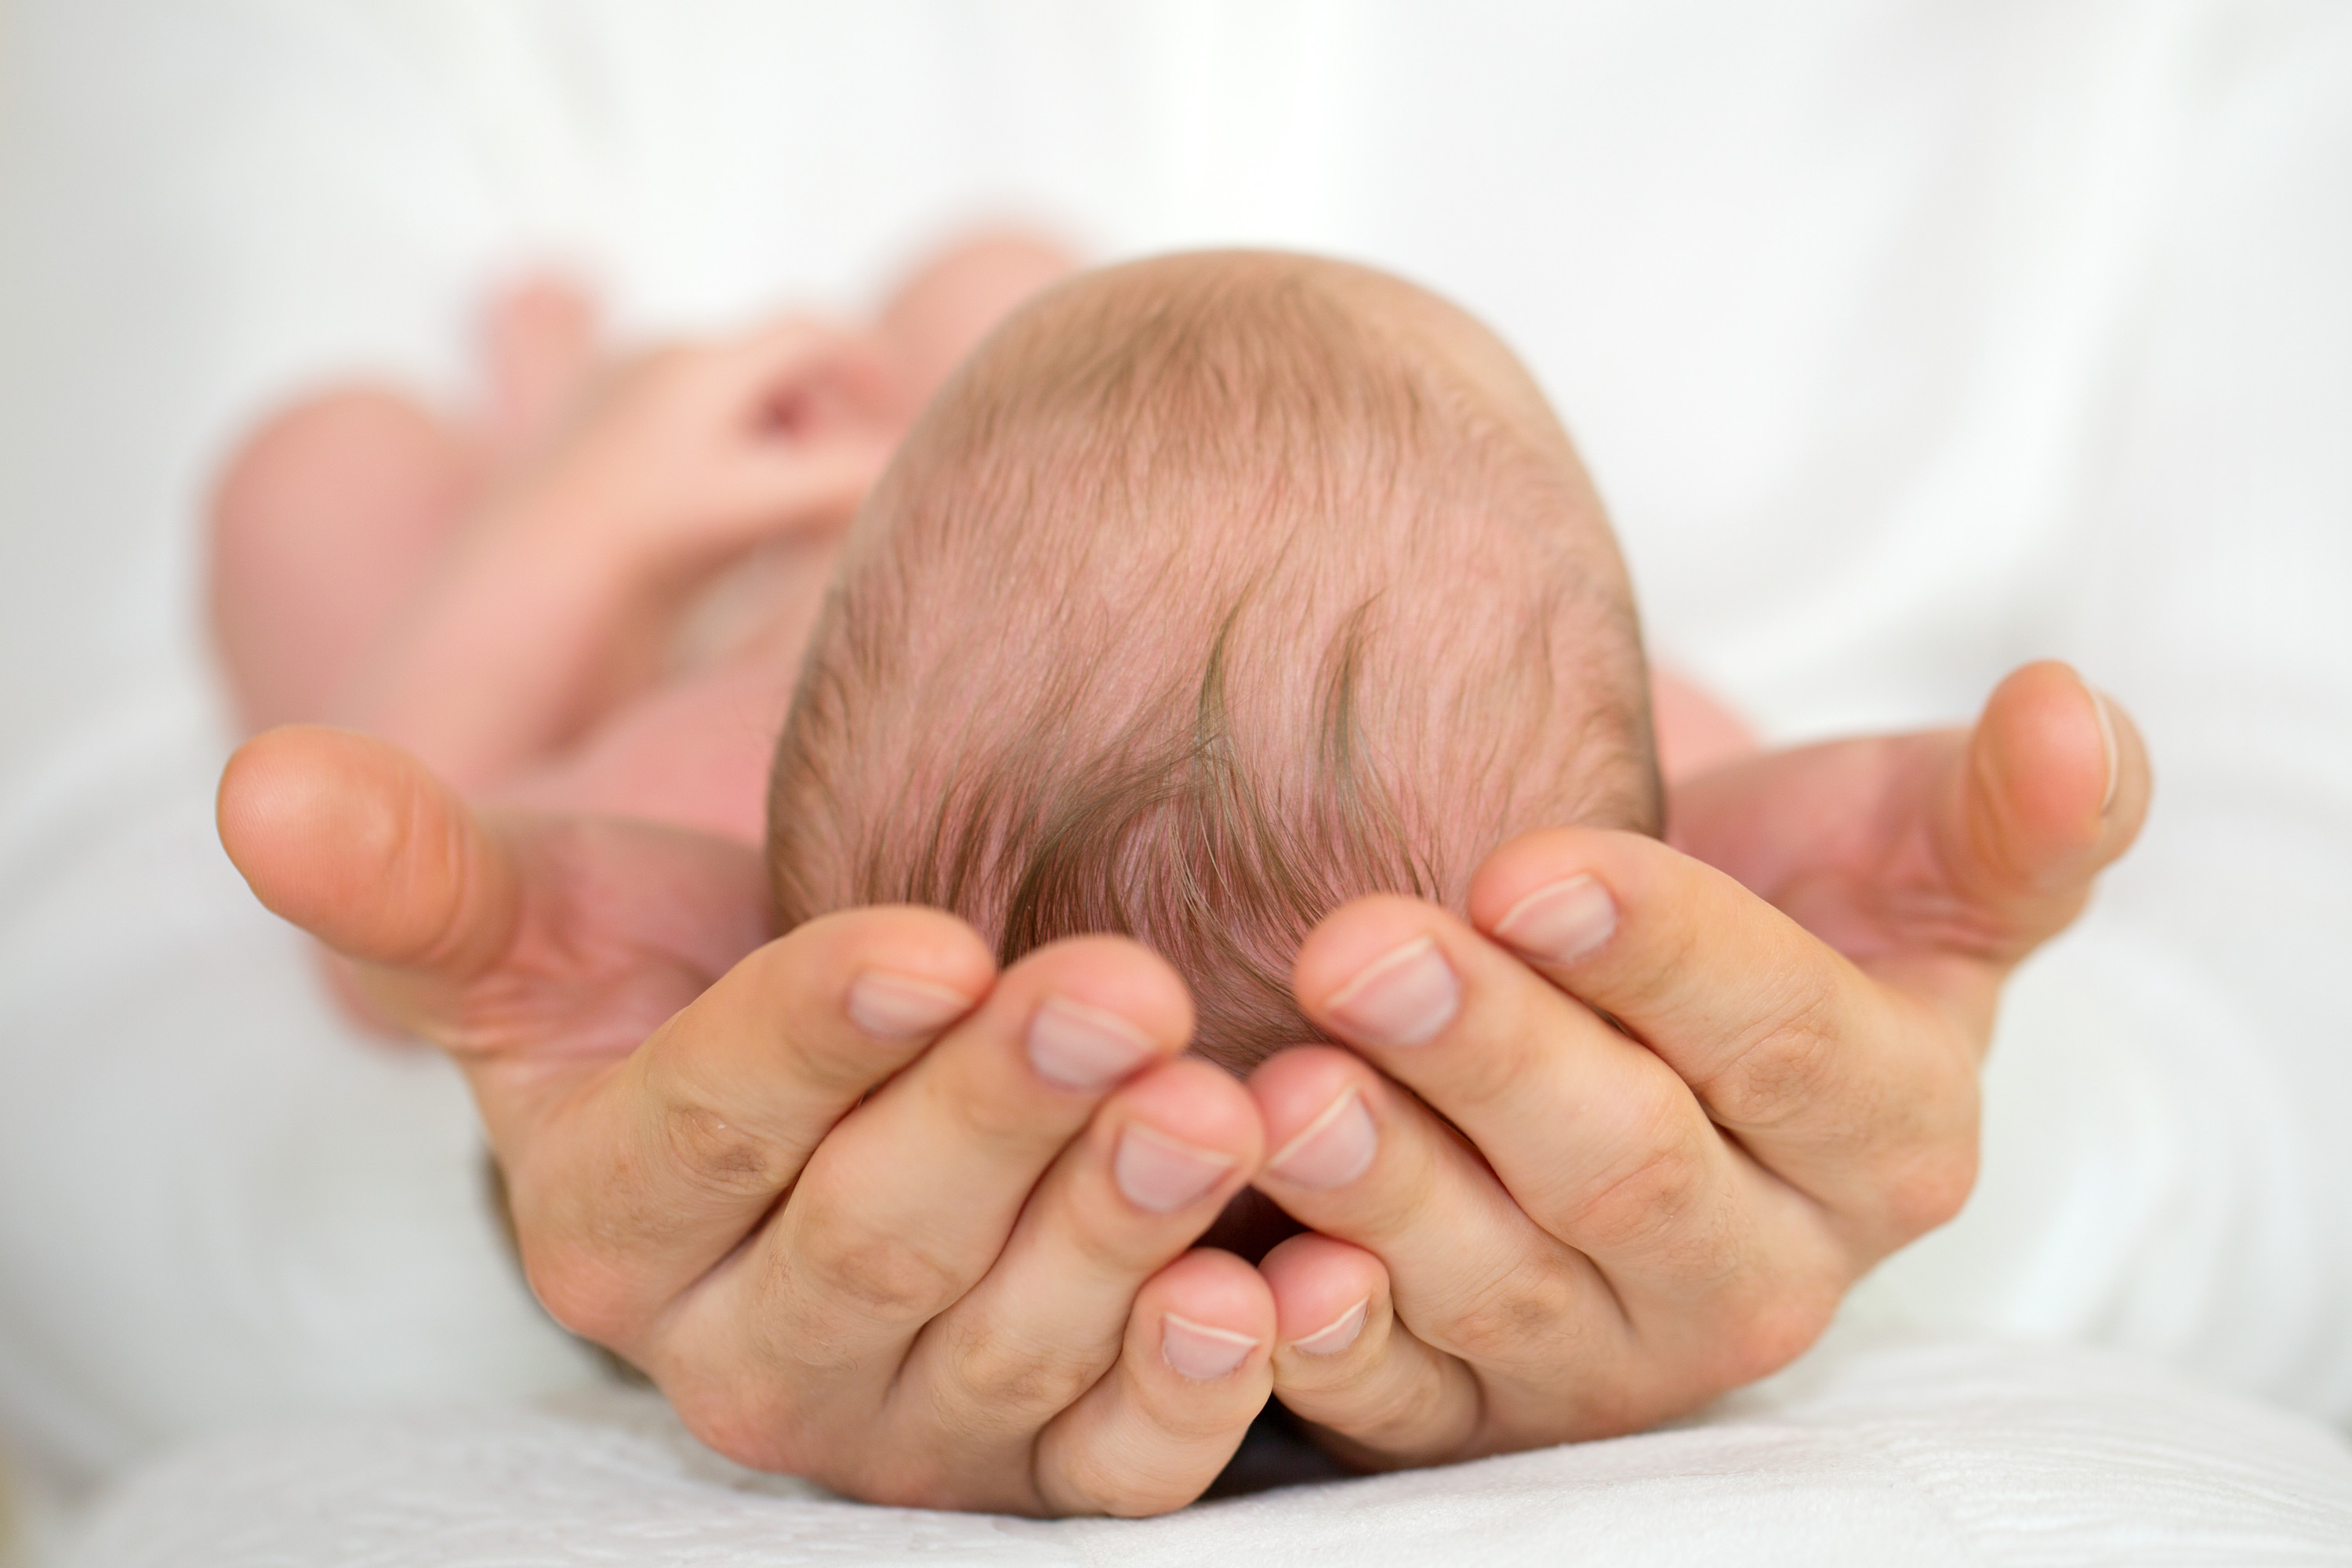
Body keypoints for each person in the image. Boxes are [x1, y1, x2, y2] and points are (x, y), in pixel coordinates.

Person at [213, 250, 2147, 1515]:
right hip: (919, 498)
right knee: (1004, 265)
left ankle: (583, 409)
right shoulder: (1633, 797)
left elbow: (385, 939)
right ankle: (936, 339)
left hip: (719, 583)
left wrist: (588, 516)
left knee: (323, 477)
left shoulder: (696, 802)